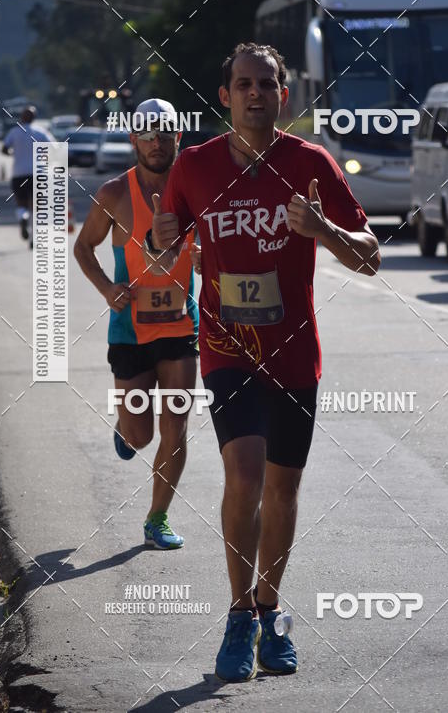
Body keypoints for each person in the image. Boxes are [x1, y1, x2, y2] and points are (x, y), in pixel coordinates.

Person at [144, 43, 381, 681]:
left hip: (295, 354)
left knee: (282, 488)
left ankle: (270, 609)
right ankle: (237, 614)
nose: (254, 93)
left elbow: (371, 254)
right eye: (242, 83)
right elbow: (164, 248)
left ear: (284, 94)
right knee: (243, 475)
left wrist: (324, 231)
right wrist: (160, 240)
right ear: (225, 96)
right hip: (225, 348)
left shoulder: (311, 162)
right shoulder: (192, 166)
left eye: (266, 84)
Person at [74, 99, 199, 550]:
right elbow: (83, 248)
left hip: (181, 325)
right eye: (146, 134)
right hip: (129, 329)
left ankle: (156, 518)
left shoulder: (195, 191)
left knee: (177, 426)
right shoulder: (112, 194)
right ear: (133, 140)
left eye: (164, 133)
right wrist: (109, 290)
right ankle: (126, 426)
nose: (156, 142)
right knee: (141, 435)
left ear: (177, 137)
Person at [2, 106, 52, 244]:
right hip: (38, 174)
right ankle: (34, 238)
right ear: (34, 118)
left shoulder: (14, 132)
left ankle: (22, 218)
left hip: (19, 174)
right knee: (37, 208)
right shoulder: (41, 132)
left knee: (21, 204)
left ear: (21, 118)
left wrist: (15, 154)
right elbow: (52, 148)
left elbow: (4, 149)